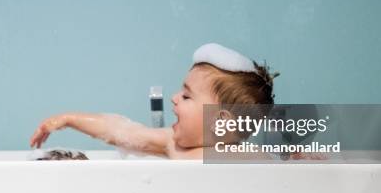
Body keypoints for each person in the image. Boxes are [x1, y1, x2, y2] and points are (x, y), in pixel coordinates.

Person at [29, 43, 280, 159]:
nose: (174, 98)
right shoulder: (174, 145)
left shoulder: (251, 158)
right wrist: (69, 119)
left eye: (186, 95)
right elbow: (120, 131)